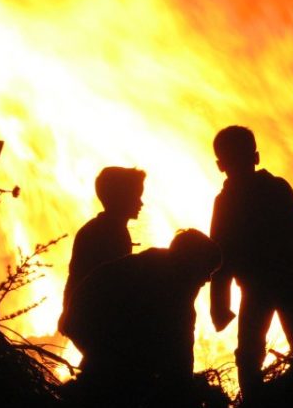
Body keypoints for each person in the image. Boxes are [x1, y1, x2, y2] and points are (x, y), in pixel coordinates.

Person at [209, 125, 293, 399]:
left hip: (262, 286)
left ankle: (257, 406)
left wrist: (220, 305)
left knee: (251, 355)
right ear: (256, 156)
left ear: (221, 165)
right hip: (286, 282)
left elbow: (220, 256)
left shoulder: (226, 202)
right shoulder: (275, 189)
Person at [65, 229, 221, 394]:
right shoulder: (167, 286)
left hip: (88, 327)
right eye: (207, 270)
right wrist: (183, 390)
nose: (208, 279)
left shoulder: (156, 268)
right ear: (193, 261)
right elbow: (180, 347)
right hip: (94, 330)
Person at [58, 166, 145, 348]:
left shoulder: (104, 229)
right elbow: (107, 284)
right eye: (136, 196)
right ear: (121, 198)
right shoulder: (109, 234)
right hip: (93, 319)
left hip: (83, 317)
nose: (141, 203)